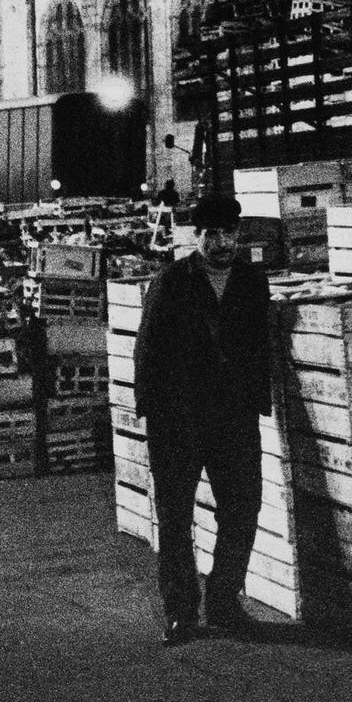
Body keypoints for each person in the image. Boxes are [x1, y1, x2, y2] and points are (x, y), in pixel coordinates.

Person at [133, 192, 270, 646]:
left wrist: (256, 399)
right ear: (198, 236)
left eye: (230, 233)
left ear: (238, 234)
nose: (222, 242)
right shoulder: (171, 281)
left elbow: (258, 344)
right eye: (213, 234)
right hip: (179, 420)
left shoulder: (253, 282)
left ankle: (224, 602)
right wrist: (154, 413)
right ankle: (180, 614)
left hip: (233, 418)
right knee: (175, 518)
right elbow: (147, 350)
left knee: (242, 508)